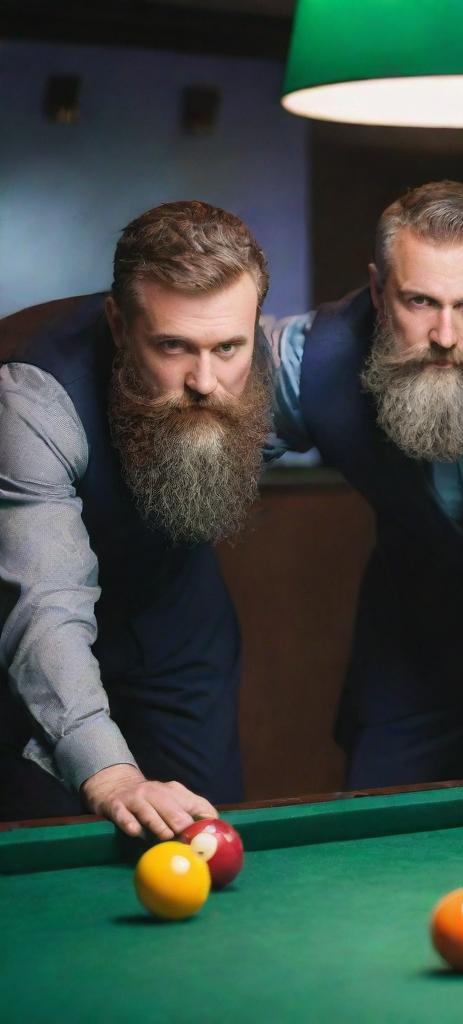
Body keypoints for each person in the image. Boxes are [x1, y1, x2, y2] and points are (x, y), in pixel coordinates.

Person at [0, 200, 273, 835]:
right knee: (58, 843)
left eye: (228, 347)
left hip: (179, 638)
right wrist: (112, 773)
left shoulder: (251, 348)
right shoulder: (32, 399)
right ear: (120, 323)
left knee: (206, 833)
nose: (205, 380)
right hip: (33, 633)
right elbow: (45, 606)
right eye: (173, 346)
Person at [267, 181, 463, 787]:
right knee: (377, 830)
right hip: (411, 649)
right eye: (420, 302)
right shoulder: (317, 358)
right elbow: (201, 383)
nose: (445, 335)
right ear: (376, 288)